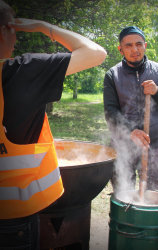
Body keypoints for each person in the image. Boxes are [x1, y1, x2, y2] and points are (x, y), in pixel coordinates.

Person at [0, 0, 107, 249]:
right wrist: (43, 27)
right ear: (7, 29)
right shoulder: (22, 72)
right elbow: (96, 53)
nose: (15, 41)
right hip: (13, 218)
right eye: (13, 32)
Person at [103, 26, 158, 193]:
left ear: (145, 45)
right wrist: (132, 131)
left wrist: (157, 92)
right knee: (123, 195)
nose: (135, 49)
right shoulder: (113, 75)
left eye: (139, 44)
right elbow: (111, 112)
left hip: (152, 147)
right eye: (128, 45)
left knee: (152, 195)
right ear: (120, 49)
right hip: (123, 146)